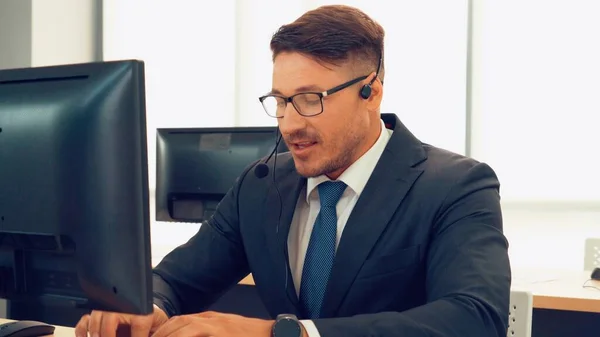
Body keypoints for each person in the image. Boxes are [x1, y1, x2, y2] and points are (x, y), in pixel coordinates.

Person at [75, 4, 510, 337]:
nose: (290, 123)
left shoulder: (456, 184)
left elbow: (474, 316)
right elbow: (177, 278)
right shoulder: (261, 184)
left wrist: (283, 332)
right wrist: (148, 306)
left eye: (309, 99)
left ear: (371, 92)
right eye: (281, 101)